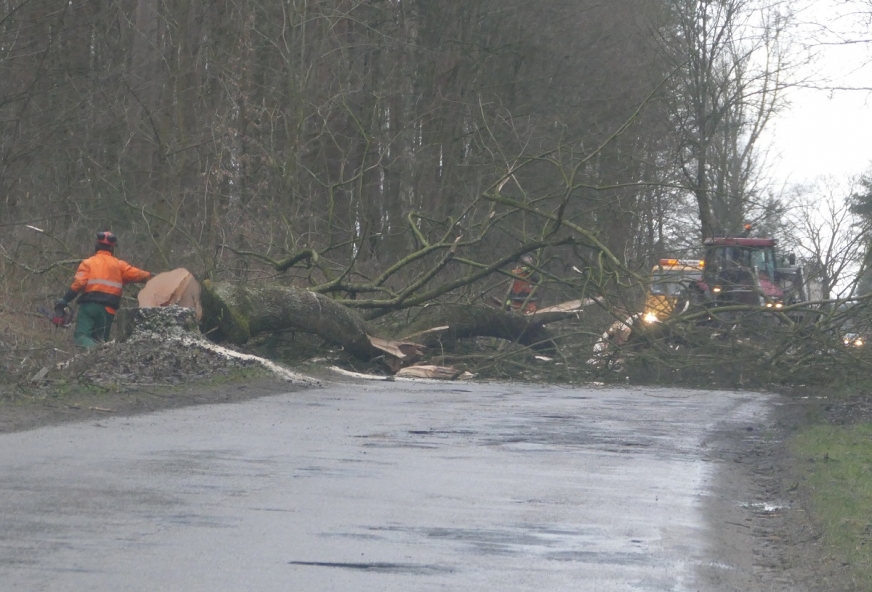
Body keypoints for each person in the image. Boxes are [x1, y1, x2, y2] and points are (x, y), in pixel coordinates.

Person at [55, 231, 153, 348]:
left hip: (89, 307)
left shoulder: (88, 263)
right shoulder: (120, 265)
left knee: (81, 337)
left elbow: (80, 283)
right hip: (108, 310)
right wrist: (159, 278)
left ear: (97, 246)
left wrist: (65, 300)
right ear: (112, 248)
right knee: (101, 341)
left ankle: (95, 351)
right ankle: (99, 354)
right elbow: (141, 275)